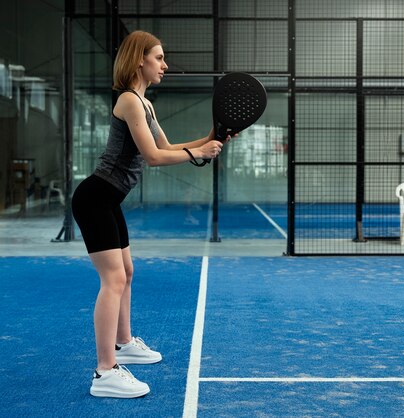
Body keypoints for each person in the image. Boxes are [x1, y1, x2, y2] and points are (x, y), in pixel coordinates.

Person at [72, 30, 227, 398]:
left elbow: (167, 145)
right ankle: (105, 371)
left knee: (126, 271)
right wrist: (198, 153)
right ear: (139, 59)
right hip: (94, 198)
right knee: (113, 280)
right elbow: (157, 158)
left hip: (108, 199)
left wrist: (209, 139)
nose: (165, 65)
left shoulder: (146, 104)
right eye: (159, 58)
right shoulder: (128, 100)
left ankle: (123, 343)